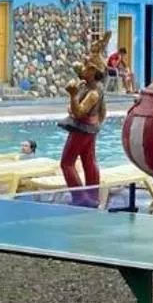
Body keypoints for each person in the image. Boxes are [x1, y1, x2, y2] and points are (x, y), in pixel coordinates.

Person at [60, 56, 106, 202]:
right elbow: (102, 111)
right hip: (90, 128)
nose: (82, 68)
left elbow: (79, 112)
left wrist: (73, 96)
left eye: (85, 66)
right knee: (89, 161)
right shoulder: (93, 87)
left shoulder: (93, 93)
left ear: (92, 71)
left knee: (67, 163)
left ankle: (80, 198)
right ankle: (93, 196)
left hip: (82, 129)